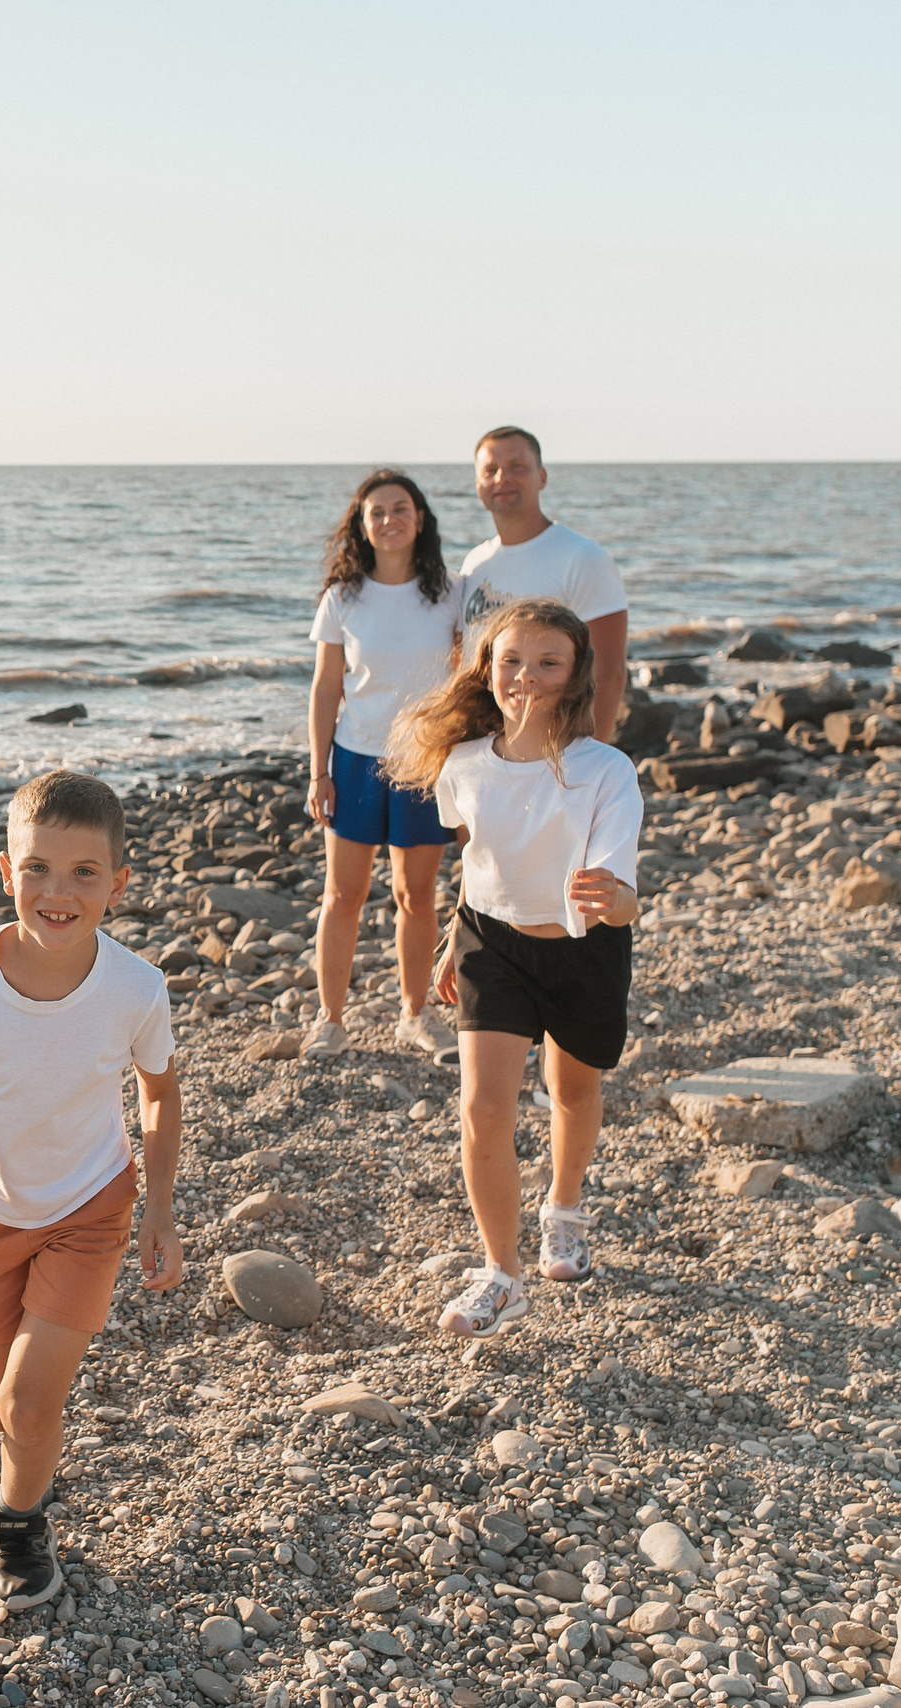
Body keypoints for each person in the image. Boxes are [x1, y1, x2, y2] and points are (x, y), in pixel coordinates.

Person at [0, 770, 182, 1611]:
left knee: (29, 1400)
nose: (58, 893)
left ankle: (20, 1526)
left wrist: (158, 1204)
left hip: (92, 1208)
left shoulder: (137, 987)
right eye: (38, 869)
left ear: (118, 883)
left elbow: (160, 1092)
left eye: (84, 873)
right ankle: (34, 1463)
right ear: (5, 870)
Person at [382, 599, 640, 1337]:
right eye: (511, 661)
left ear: (575, 676)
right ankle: (503, 1272)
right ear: (487, 669)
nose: (526, 676)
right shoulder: (462, 766)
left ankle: (563, 1206)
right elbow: (478, 857)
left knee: (571, 1087)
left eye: (547, 662)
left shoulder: (606, 771)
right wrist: (452, 939)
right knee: (482, 1107)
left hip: (585, 947)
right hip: (490, 945)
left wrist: (613, 896)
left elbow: (624, 905)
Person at [304, 468, 461, 1060]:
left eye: (401, 509)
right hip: (356, 760)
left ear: (419, 519)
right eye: (377, 512)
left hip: (426, 762)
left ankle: (416, 1015)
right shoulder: (343, 598)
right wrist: (319, 771)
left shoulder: (452, 592)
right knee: (343, 895)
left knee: (416, 896)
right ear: (361, 526)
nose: (390, 519)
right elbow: (325, 688)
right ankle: (330, 1019)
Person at [457, 427, 629, 740]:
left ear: (542, 477)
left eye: (517, 467)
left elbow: (610, 672)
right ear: (478, 485)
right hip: (482, 745)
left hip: (553, 748)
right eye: (490, 470)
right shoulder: (475, 563)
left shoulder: (583, 558)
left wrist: (593, 759)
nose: (502, 478)